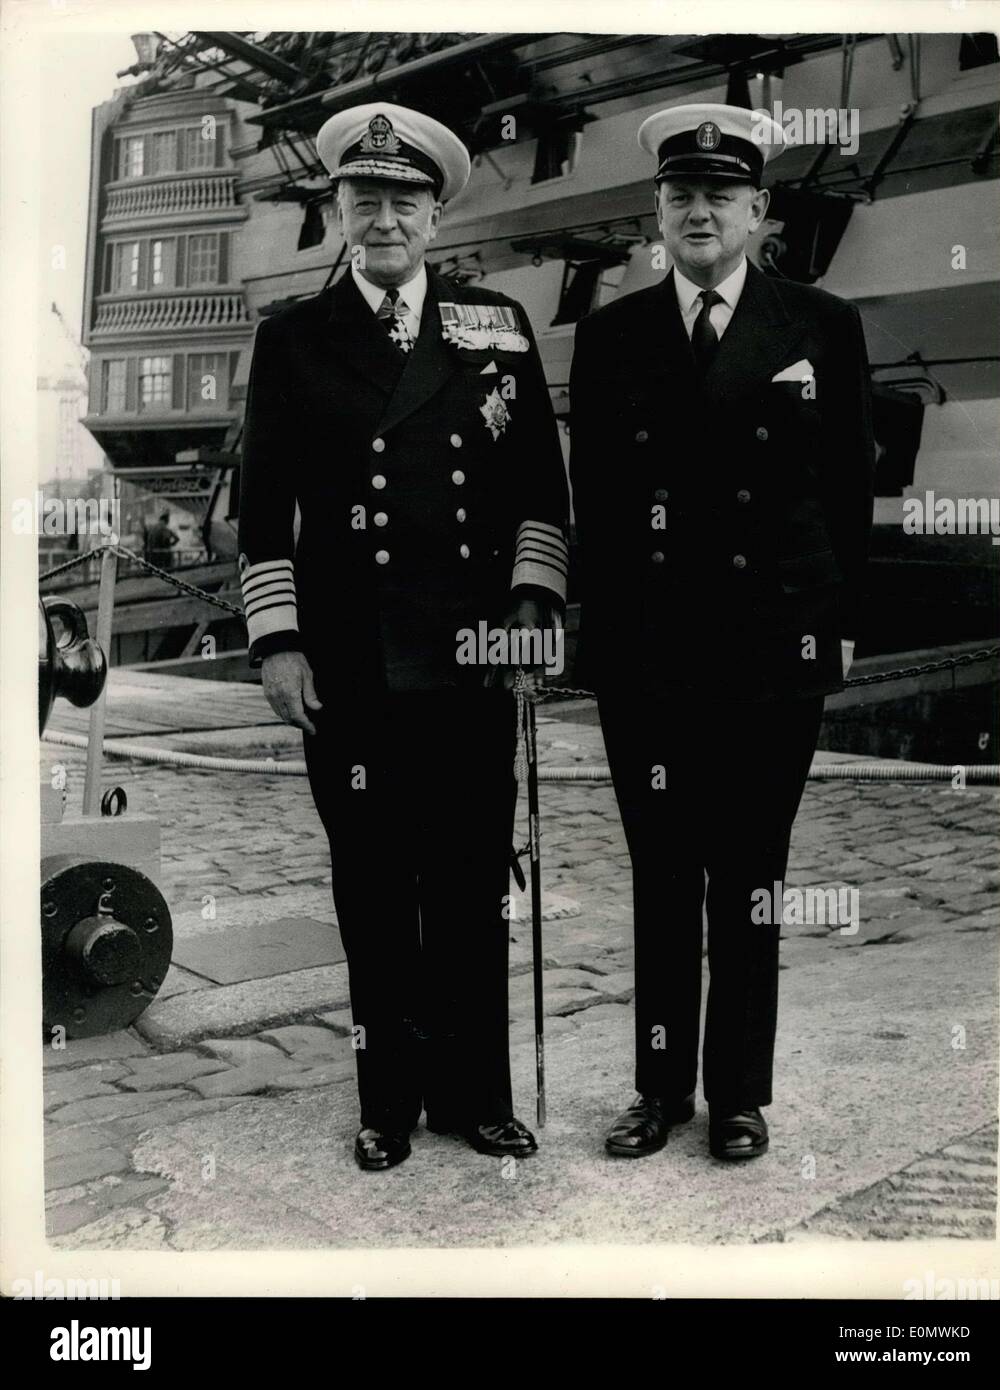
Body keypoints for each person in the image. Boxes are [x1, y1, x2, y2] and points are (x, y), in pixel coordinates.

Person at [238, 103, 568, 1171]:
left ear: (435, 216)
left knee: (472, 884)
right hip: (352, 664)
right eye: (364, 199)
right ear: (339, 210)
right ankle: (387, 1102)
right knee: (374, 889)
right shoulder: (292, 339)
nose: (385, 218)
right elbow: (263, 506)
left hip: (472, 659)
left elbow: (537, 492)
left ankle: (476, 1096)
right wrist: (278, 641)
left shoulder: (497, 325)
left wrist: (529, 611)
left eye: (405, 200)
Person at [569, 103, 875, 1162]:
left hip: (770, 648)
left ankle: (739, 1093)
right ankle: (659, 1090)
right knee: (662, 876)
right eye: (679, 195)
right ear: (659, 212)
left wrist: (838, 627)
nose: (699, 212)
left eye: (719, 195)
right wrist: (595, 643)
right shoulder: (611, 337)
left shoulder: (823, 326)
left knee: (750, 876)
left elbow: (847, 492)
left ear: (759, 210)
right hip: (649, 656)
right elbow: (598, 508)